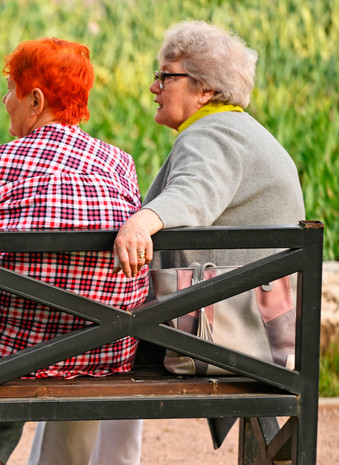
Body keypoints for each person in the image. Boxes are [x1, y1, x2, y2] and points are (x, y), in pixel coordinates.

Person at [0, 37, 149, 465]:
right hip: (102, 351)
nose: (4, 100)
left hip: (2, 355)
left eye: (11, 90)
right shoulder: (119, 163)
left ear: (35, 100)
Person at [105, 19, 305, 463]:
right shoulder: (238, 131)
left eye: (166, 75)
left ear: (205, 90)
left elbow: (192, 195)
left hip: (229, 339)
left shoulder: (213, 135)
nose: (154, 87)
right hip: (258, 325)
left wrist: (142, 222)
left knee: (83, 343)